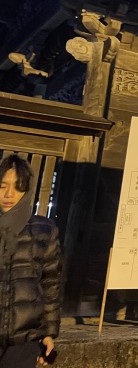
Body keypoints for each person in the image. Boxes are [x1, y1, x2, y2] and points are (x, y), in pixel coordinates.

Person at [0, 155, 62, 367]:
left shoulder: (43, 230)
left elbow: (50, 284)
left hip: (22, 343)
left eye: (18, 187)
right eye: (3, 186)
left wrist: (48, 333)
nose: (9, 194)